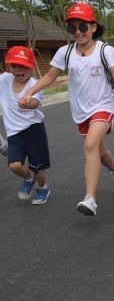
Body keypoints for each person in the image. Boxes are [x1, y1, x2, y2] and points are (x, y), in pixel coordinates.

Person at [19, 2, 114, 216]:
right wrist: (29, 92)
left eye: (83, 27)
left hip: (103, 105)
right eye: (72, 28)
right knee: (98, 149)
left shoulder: (106, 51)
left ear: (93, 27)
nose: (78, 32)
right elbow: (51, 76)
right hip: (80, 110)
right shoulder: (65, 52)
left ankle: (90, 199)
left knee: (90, 145)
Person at [0, 46, 51, 204]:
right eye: (14, 66)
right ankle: (28, 179)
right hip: (14, 133)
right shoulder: (5, 79)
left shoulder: (34, 84)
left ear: (31, 66)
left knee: (38, 167)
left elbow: (36, 103)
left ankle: (43, 188)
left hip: (33, 130)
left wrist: (28, 103)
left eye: (22, 66)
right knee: (14, 165)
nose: (18, 70)